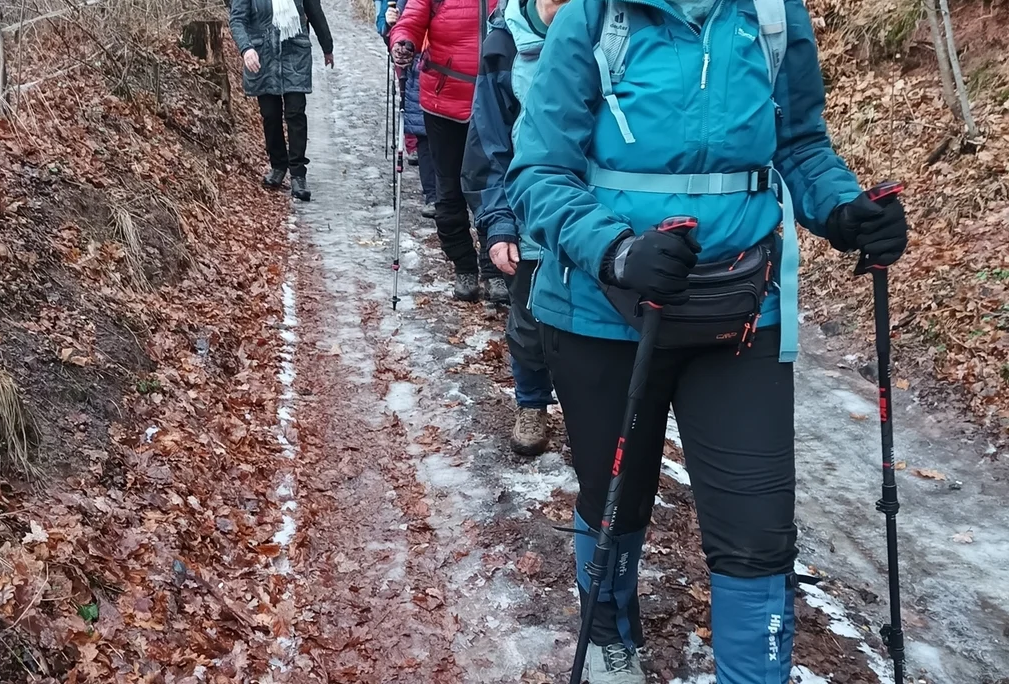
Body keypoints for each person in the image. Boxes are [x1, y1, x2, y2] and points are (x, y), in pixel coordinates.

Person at [505, 0, 910, 680]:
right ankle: (611, 640)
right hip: (601, 311)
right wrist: (615, 250)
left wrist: (844, 210)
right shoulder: (592, 17)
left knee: (758, 532)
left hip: (740, 311)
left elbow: (801, 143)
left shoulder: (774, 18)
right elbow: (537, 171)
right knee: (616, 503)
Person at [461, 0, 566, 456]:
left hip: (603, 211)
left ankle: (598, 413)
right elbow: (490, 144)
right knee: (527, 320)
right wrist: (499, 224)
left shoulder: (617, 31)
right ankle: (532, 404)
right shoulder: (503, 44)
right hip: (528, 213)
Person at [389, 0, 503, 302]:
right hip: (445, 103)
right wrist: (403, 42)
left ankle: (494, 268)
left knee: (494, 188)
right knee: (449, 189)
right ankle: (464, 266)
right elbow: (411, 21)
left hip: (497, 103)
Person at [230, 0, 334, 202]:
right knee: (270, 115)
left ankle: (298, 174)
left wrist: (327, 46)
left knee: (295, 113)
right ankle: (278, 166)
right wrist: (246, 48)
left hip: (294, 53)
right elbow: (237, 19)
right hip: (263, 56)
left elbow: (315, 12)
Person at [383, 0, 438, 219]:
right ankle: (433, 196)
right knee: (425, 138)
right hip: (420, 72)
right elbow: (401, 31)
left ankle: (444, 196)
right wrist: (392, 28)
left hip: (449, 74)